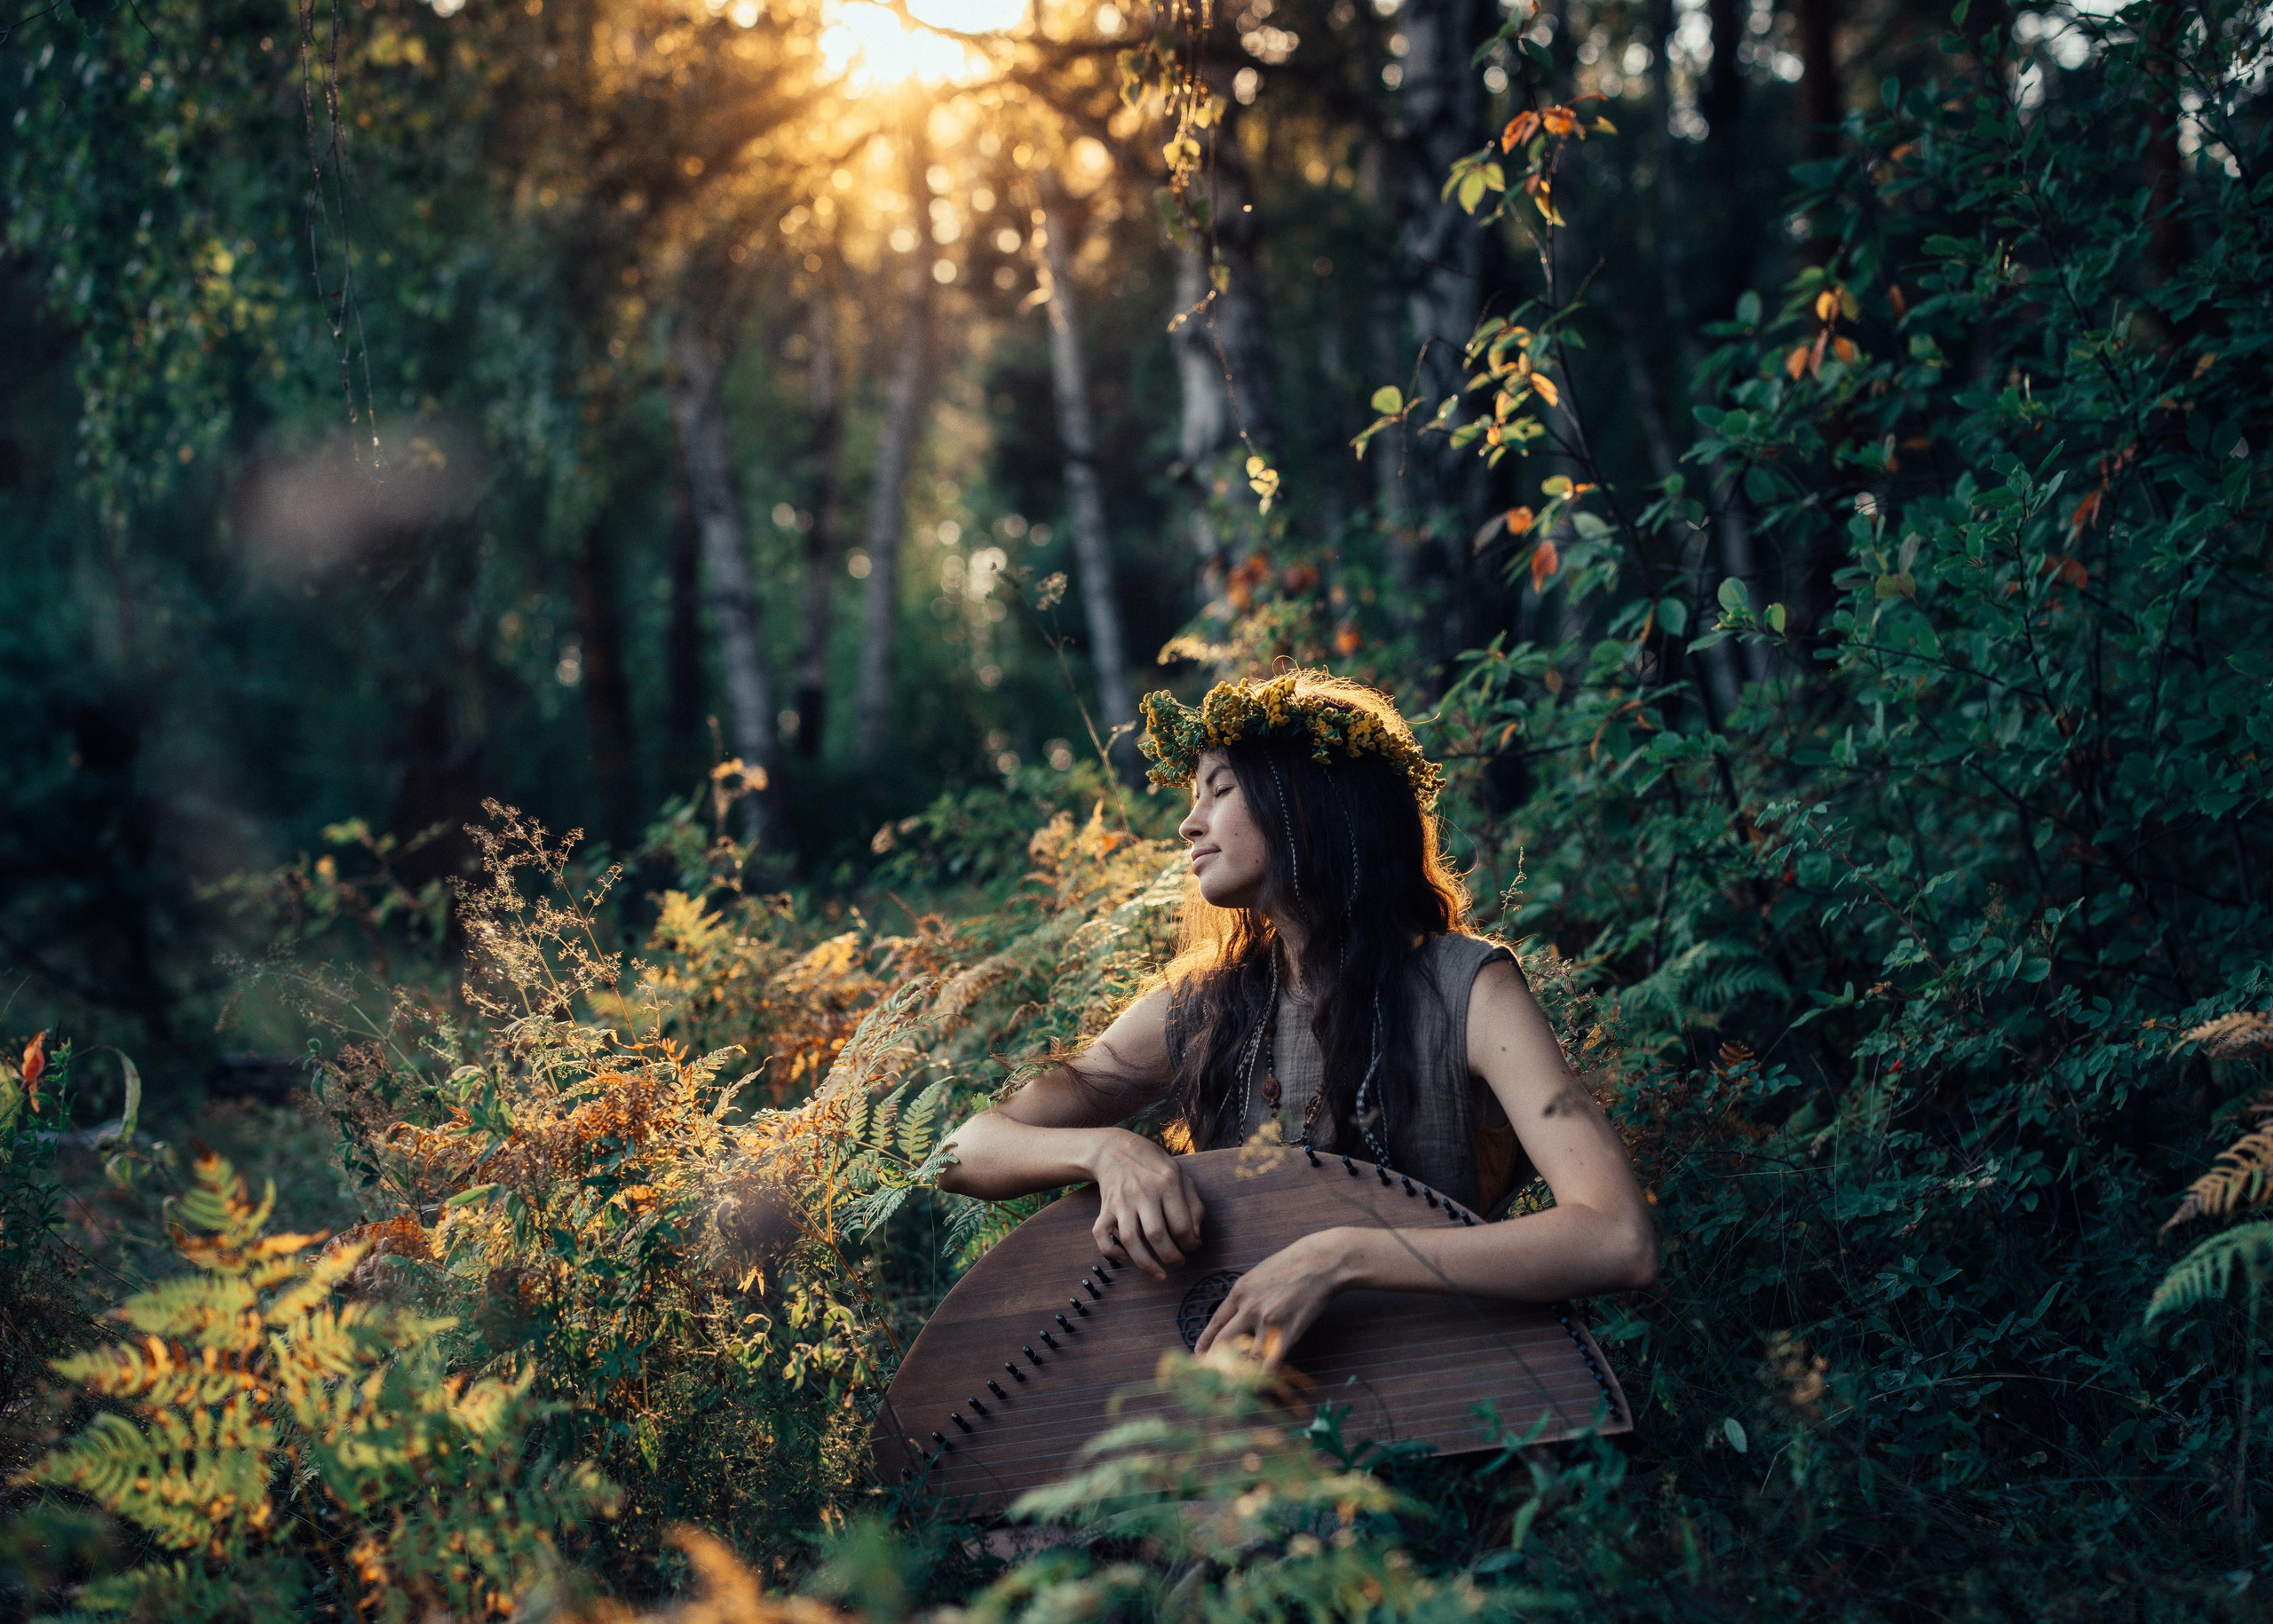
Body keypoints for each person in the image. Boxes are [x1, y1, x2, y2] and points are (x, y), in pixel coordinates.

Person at [936, 669, 1657, 1364]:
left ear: (1307, 802)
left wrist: (1342, 1257)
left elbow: (1616, 1235)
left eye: (1219, 790)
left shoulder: (1472, 991)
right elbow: (961, 1152)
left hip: (1438, 1405)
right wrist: (1107, 1151)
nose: (1190, 823)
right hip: (1246, 1424)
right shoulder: (1204, 1006)